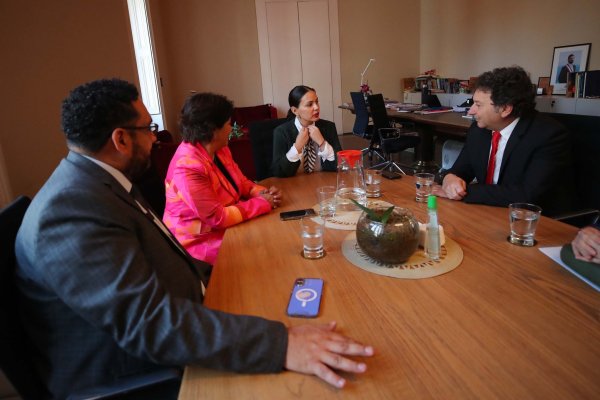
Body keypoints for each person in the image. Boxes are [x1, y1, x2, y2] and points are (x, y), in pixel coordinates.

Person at [14, 79, 373, 399]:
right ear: (120, 139)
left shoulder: (97, 184)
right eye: (148, 128)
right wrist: (282, 344)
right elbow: (151, 324)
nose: (155, 138)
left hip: (184, 311)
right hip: (140, 372)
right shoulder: (70, 212)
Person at [433, 66, 574, 216]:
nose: (471, 111)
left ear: (505, 109)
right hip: (488, 213)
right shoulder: (479, 130)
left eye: (478, 105)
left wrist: (464, 191)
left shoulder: (548, 135)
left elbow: (526, 195)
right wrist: (449, 178)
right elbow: (461, 170)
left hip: (531, 220)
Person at [163, 93, 282, 264]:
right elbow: (217, 218)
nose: (231, 128)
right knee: (265, 250)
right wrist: (263, 203)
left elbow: (242, 183)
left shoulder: (220, 149)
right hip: (198, 242)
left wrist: (263, 193)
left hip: (225, 227)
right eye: (228, 123)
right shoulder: (187, 167)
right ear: (213, 130)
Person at [271, 85, 342, 177]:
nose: (316, 107)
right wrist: (297, 147)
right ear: (295, 110)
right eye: (309, 104)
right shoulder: (281, 132)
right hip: (294, 184)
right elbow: (278, 172)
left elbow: (340, 165)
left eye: (317, 102)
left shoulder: (329, 127)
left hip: (323, 181)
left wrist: (322, 143)